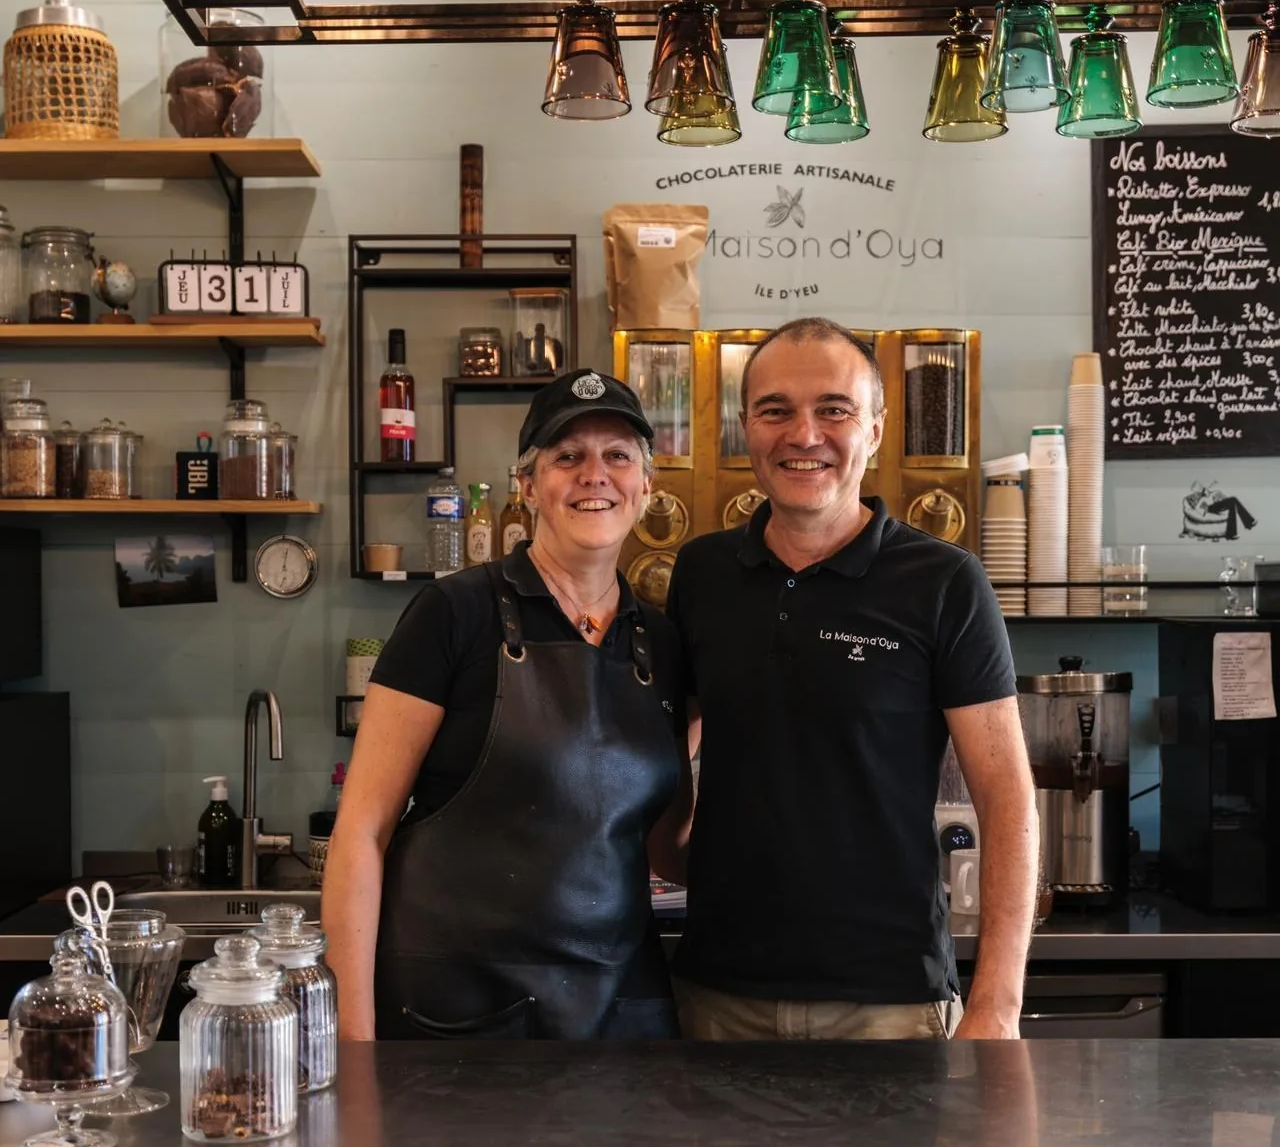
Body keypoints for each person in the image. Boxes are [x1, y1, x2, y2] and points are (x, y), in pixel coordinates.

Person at [649, 318, 1037, 1042]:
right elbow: (675, 735)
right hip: (719, 994)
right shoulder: (702, 574)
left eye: (834, 408)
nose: (804, 434)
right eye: (776, 410)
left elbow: (1007, 798)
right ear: (746, 428)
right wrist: (668, 845)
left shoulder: (945, 582)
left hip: (888, 1002)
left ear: (877, 429)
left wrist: (996, 1006)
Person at [323, 368, 689, 1041]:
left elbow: (669, 852)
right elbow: (361, 834)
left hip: (622, 1014)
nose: (594, 474)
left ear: (646, 485)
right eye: (567, 456)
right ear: (528, 486)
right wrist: (352, 1044)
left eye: (617, 456)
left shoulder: (661, 642)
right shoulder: (453, 615)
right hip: (460, 1011)